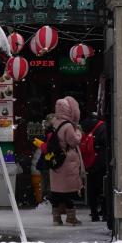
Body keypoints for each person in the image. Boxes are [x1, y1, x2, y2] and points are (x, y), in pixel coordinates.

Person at [45, 95, 87, 226]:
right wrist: (79, 133)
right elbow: (73, 142)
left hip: (56, 160)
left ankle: (56, 218)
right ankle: (70, 218)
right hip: (67, 161)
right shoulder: (68, 125)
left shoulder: (55, 123)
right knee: (69, 191)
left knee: (57, 191)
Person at [83, 112, 111, 223]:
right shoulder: (102, 127)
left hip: (90, 161)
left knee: (92, 189)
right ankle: (104, 212)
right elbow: (107, 143)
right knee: (102, 189)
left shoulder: (85, 126)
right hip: (101, 162)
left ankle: (94, 212)